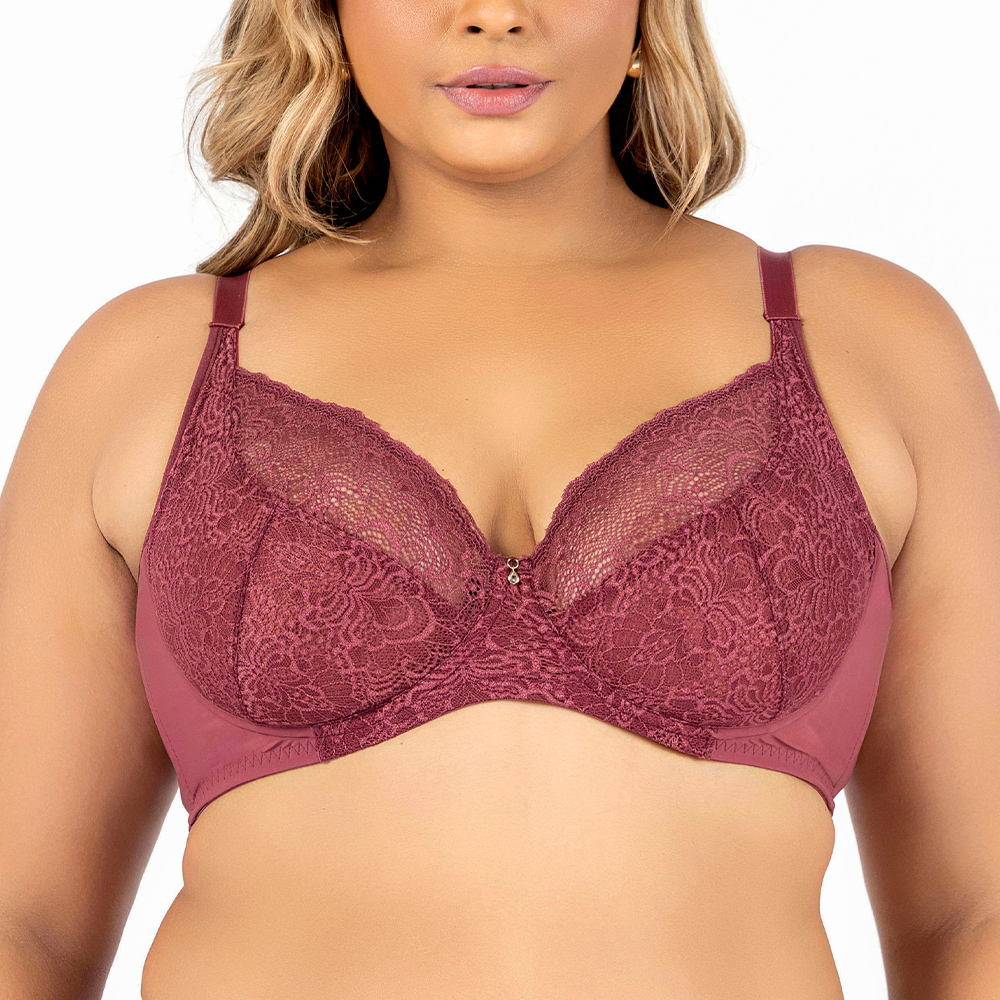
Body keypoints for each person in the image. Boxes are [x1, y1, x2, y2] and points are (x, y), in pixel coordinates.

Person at [1, 1, 998, 997]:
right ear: (328, 18)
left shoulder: (864, 341)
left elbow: (974, 918)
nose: (493, 16)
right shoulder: (147, 367)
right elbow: (25, 929)